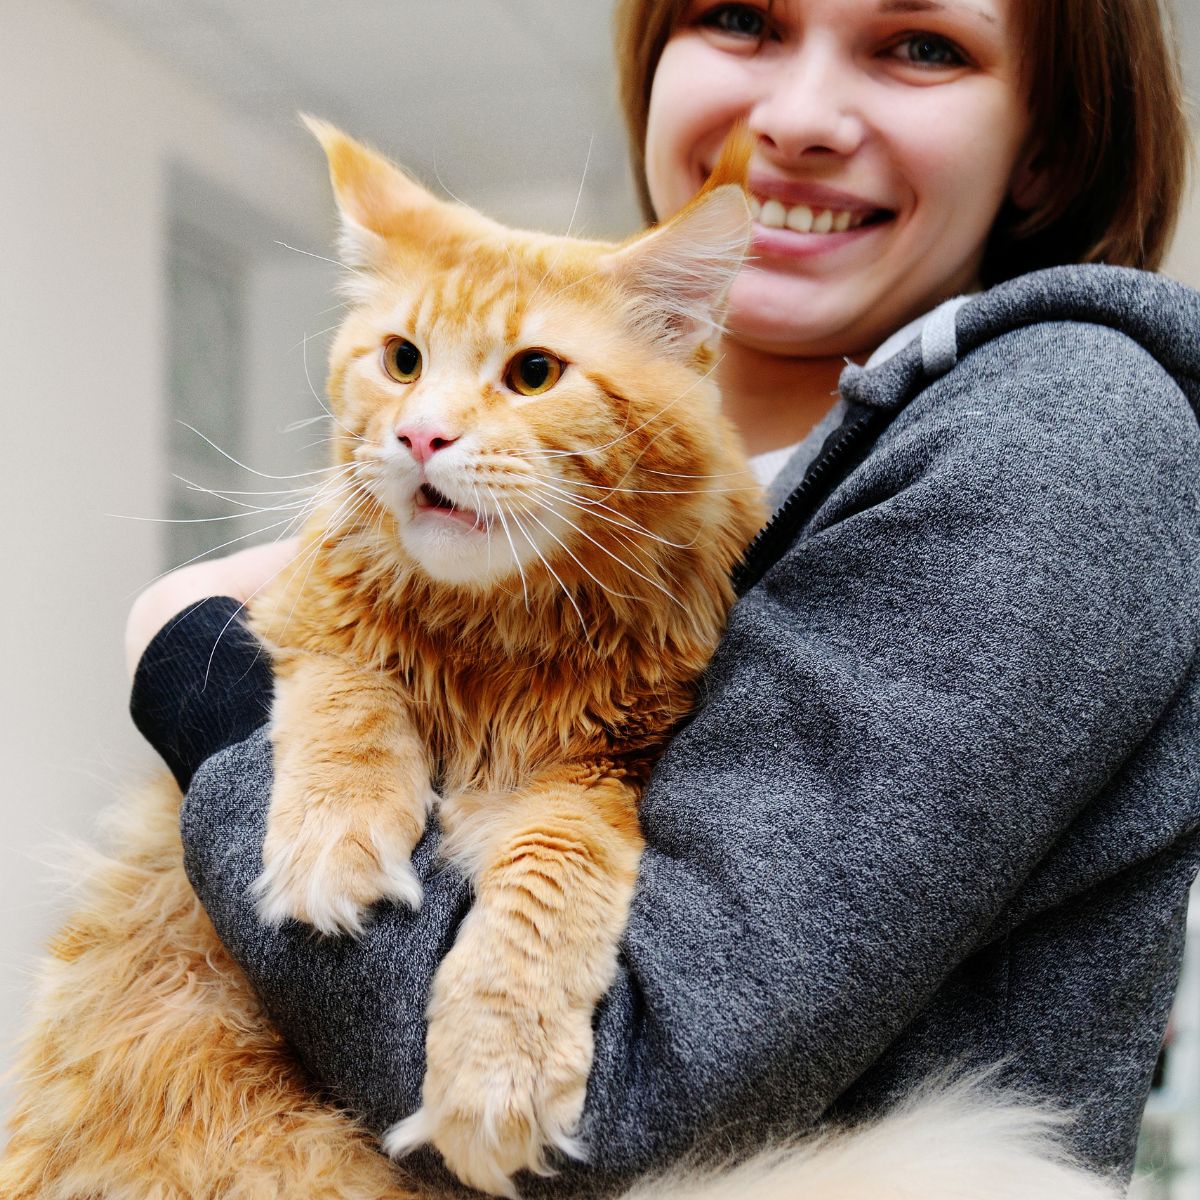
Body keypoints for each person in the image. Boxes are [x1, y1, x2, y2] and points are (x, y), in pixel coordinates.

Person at [126, 0, 1199, 1191]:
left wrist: (193, 667)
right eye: (741, 18)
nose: (794, 121)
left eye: (921, 45)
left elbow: (615, 1095)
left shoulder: (1065, 429)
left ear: (1050, 135)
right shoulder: (585, 504)